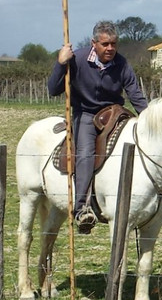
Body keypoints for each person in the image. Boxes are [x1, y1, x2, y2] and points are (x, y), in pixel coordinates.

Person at [48, 20, 151, 233]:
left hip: (114, 113)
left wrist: (149, 120)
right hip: (85, 114)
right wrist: (61, 63)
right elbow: (53, 89)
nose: (110, 48)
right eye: (105, 44)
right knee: (85, 152)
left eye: (114, 44)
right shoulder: (77, 60)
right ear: (94, 43)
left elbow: (135, 94)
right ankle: (81, 208)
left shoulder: (122, 64)